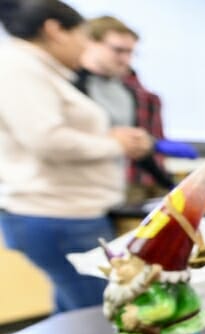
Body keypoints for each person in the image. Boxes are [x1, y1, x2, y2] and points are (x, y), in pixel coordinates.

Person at [0, 0, 152, 313]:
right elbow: (47, 140)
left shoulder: (42, 71)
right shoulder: (19, 67)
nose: (85, 47)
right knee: (103, 317)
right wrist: (115, 144)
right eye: (82, 36)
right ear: (54, 30)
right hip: (57, 214)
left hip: (67, 212)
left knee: (75, 316)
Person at [76, 15, 174, 202]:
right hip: (79, 192)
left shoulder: (129, 91)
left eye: (131, 52)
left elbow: (135, 146)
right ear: (90, 43)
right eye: (118, 50)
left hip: (119, 186)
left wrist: (169, 184)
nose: (126, 59)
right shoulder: (68, 84)